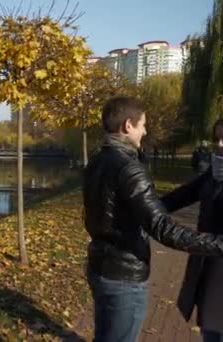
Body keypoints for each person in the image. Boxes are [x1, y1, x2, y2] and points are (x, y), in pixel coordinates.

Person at [83, 96, 223, 342]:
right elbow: (163, 225)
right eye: (143, 125)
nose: (145, 131)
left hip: (101, 264)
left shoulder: (97, 159)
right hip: (124, 272)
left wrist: (149, 207)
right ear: (128, 125)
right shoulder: (128, 166)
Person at [162, 119, 223, 342]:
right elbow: (185, 194)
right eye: (217, 138)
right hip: (209, 263)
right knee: (210, 327)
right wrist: (147, 209)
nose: (221, 144)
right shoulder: (214, 173)